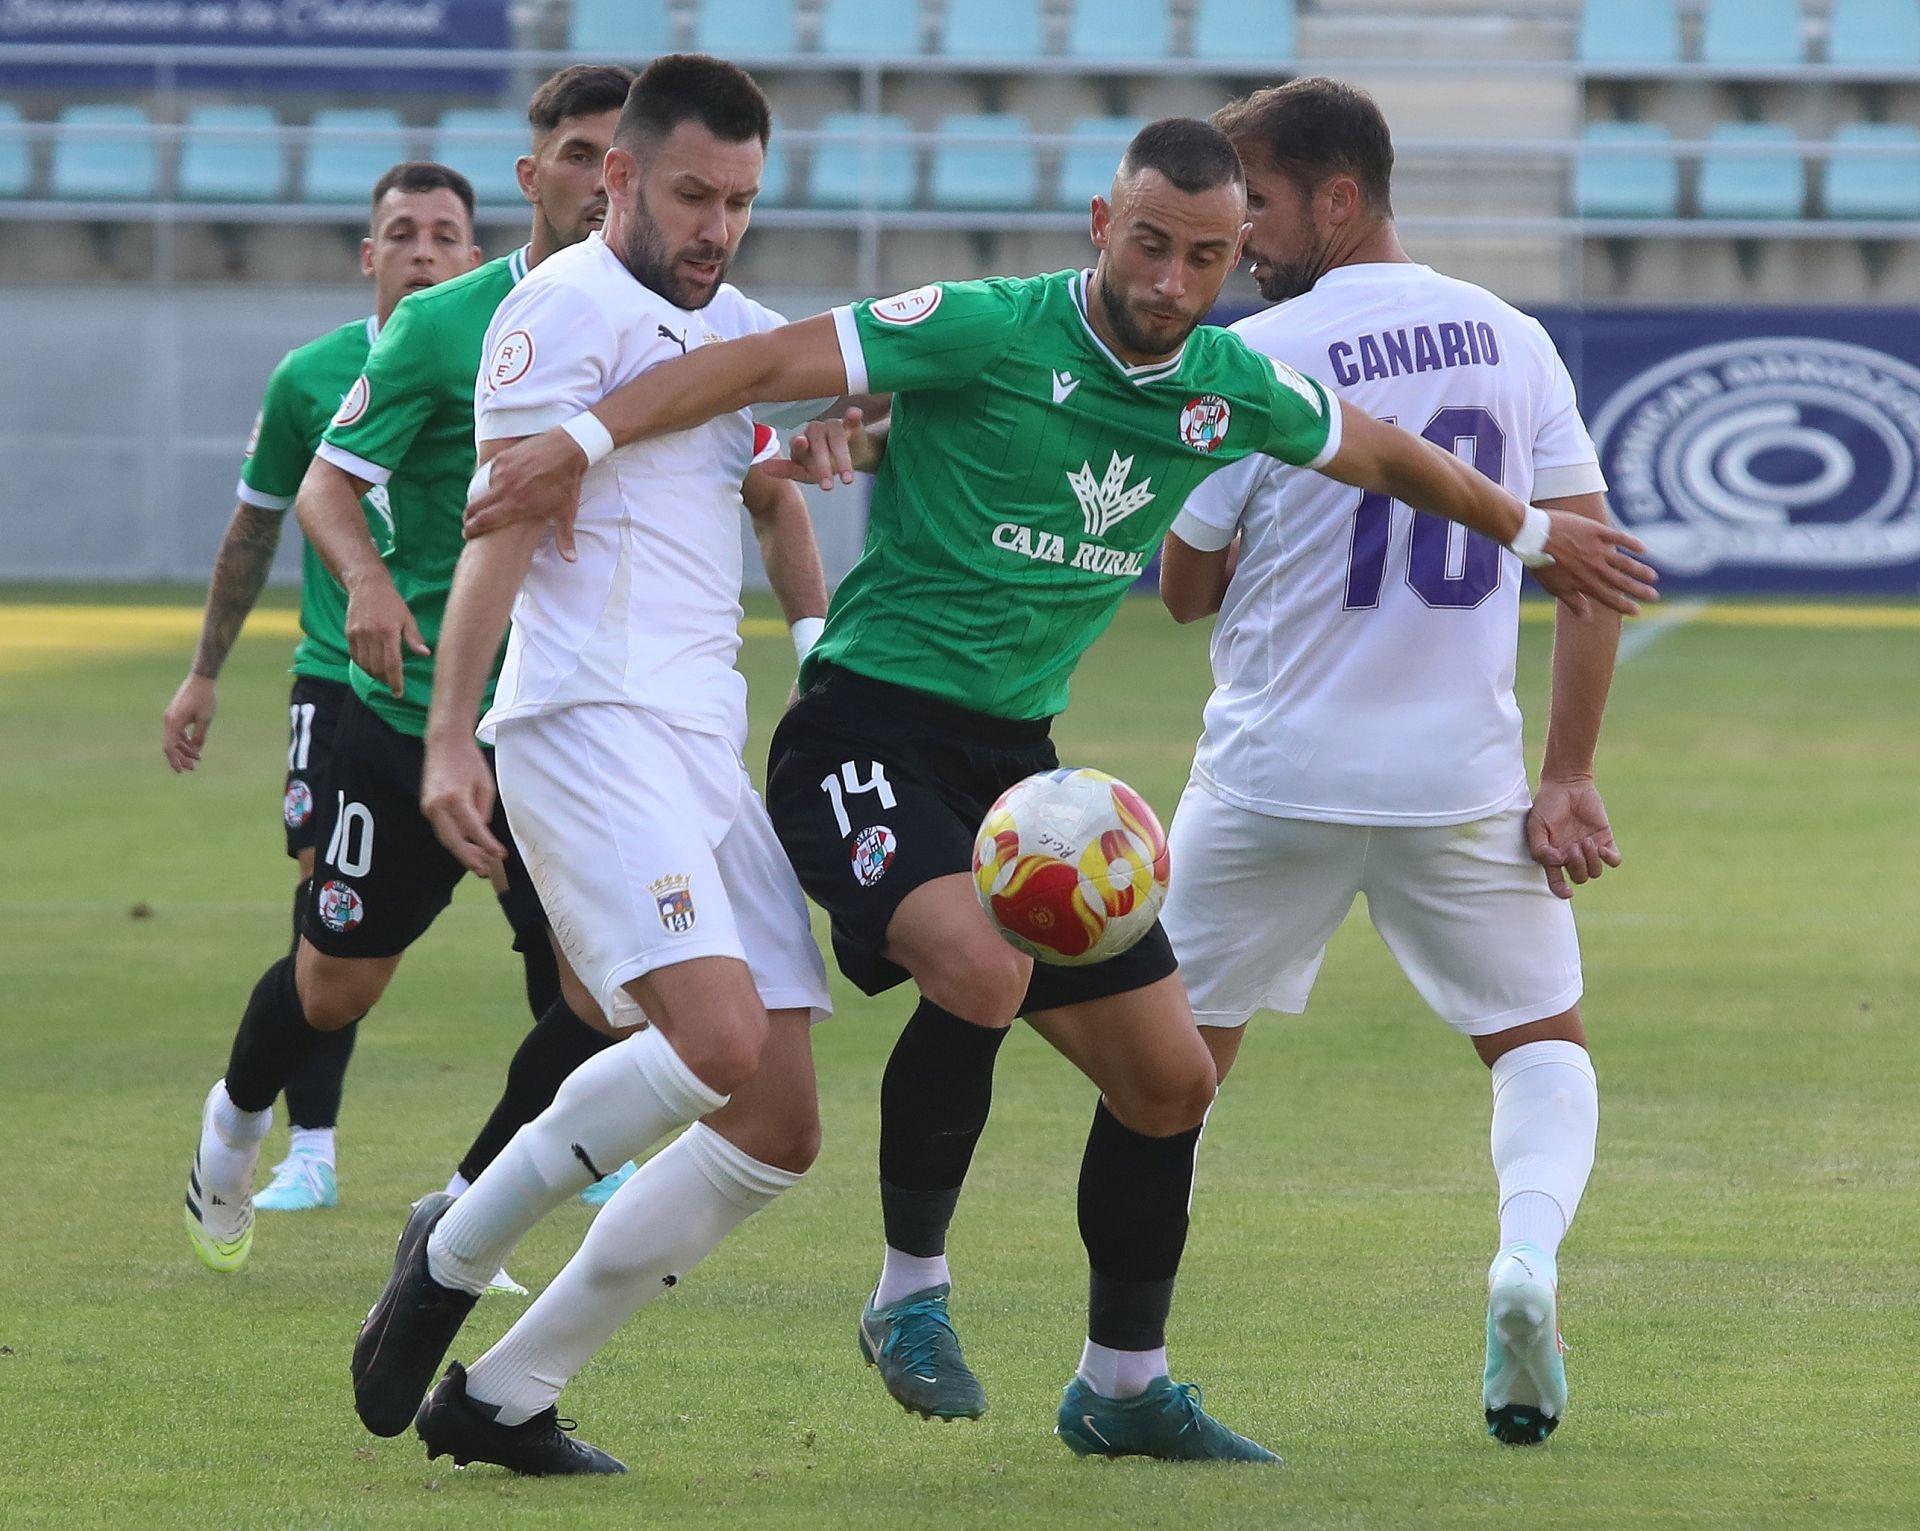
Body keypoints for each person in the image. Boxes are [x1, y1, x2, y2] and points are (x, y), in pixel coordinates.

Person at [461, 116, 1655, 1461]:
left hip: (1018, 760)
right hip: (865, 728)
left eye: (1206, 254)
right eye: (1149, 243)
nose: (1170, 279)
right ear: (1103, 223)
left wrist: (1537, 530)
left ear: (1238, 251)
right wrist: (580, 435)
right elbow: (766, 362)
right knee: (980, 965)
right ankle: (909, 1290)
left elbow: (1386, 455)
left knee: (1171, 1078)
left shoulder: (1230, 381)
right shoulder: (981, 325)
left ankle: (1124, 1385)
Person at [348, 55, 832, 1476]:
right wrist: (452, 736)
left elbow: (773, 479)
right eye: (693, 193)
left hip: (700, 738)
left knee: (780, 1122)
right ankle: (455, 1235)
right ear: (616, 174)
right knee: (714, 1041)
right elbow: (499, 526)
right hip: (583, 717)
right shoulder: (555, 310)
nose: (717, 226)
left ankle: (505, 1394)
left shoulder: (739, 326)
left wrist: (819, 613)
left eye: (741, 200)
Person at [1153, 78, 1619, 1448]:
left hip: (1267, 777)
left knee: (1169, 1079)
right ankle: (1524, 1261)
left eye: (1257, 201)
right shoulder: (1511, 338)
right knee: (1539, 1045)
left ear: (1337, 198)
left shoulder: (1262, 351)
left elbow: (1182, 587)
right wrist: (1570, 774)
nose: (1236, 233)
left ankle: (1125, 1361)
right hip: (1460, 782)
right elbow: (1592, 571)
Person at [181, 64, 639, 1280]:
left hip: (570, 727)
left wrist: (819, 439)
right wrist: (370, 585)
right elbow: (325, 487)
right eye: (582, 154)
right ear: (536, 175)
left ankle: (463, 1217)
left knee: (601, 998)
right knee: (334, 986)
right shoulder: (444, 326)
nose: (606, 181)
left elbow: (761, 427)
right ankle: (233, 1125)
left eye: (623, 155)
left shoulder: (673, 321)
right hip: (410, 716)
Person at [163, 161, 481, 1213]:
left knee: (559, 915)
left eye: (443, 234)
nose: (423, 252)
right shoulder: (312, 377)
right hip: (340, 678)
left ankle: (553, 1163)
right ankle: (310, 1144)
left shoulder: (514, 360)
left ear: (472, 254)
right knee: (323, 906)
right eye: (402, 233)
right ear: (369, 255)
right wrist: (205, 672)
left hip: (487, 691)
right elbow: (258, 523)